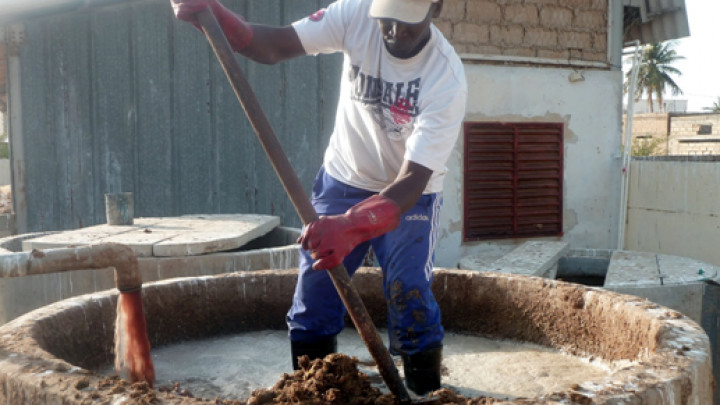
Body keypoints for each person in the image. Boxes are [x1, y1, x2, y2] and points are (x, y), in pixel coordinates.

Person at [172, 0, 467, 395]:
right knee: (315, 289)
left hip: (407, 194)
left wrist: (351, 225)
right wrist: (223, 20)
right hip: (343, 179)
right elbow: (274, 46)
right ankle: (310, 391)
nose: (394, 32)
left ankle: (425, 390)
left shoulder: (445, 79)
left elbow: (412, 182)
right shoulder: (355, 13)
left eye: (407, 23)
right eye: (387, 20)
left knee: (409, 290)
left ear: (436, 8)